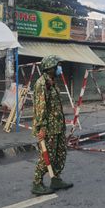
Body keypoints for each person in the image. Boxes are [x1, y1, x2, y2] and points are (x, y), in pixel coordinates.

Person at [31, 55, 73, 195]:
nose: (59, 69)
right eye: (57, 66)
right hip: (48, 128)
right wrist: (41, 127)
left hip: (58, 126)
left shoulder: (52, 82)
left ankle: (55, 179)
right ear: (50, 68)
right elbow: (40, 107)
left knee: (60, 154)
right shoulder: (41, 84)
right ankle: (37, 183)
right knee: (46, 157)